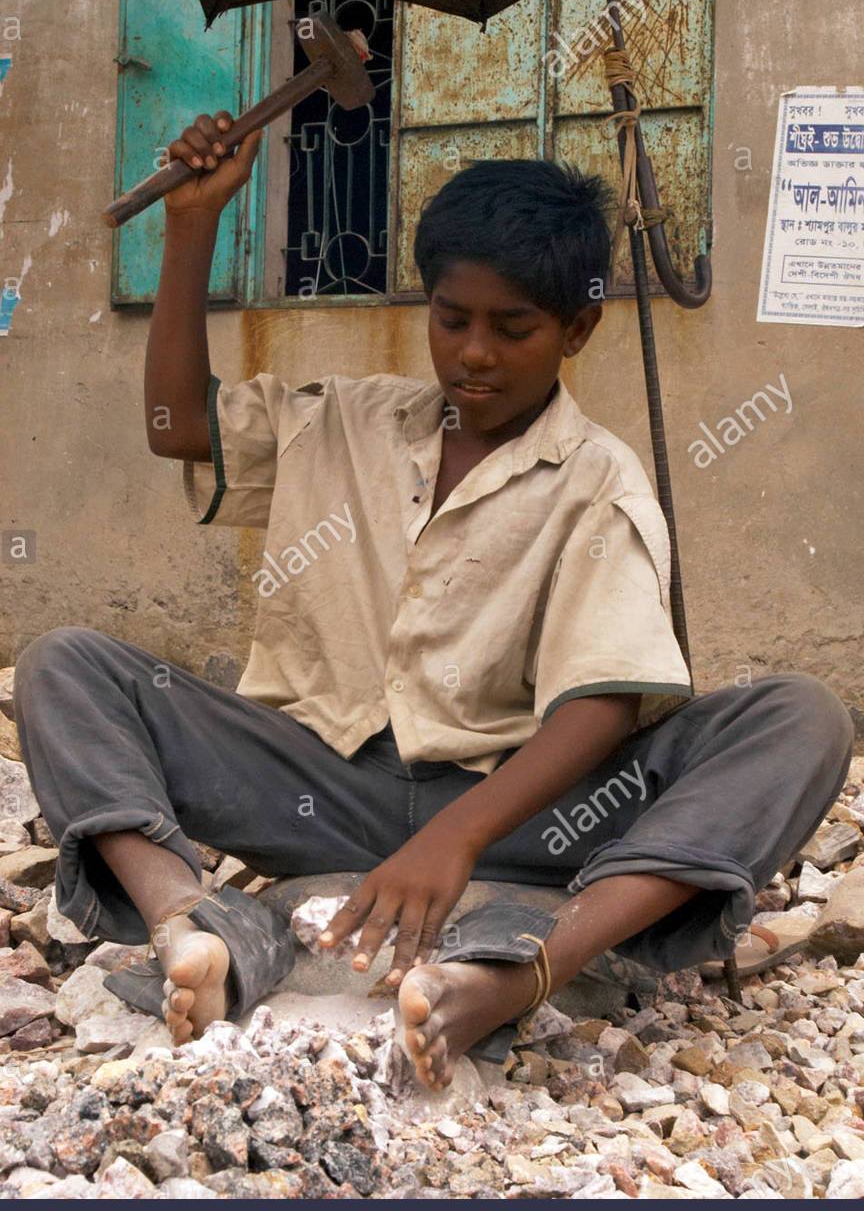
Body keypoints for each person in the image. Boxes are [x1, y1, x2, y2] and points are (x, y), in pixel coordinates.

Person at [13, 111, 854, 1093]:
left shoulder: (599, 481)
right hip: (317, 790)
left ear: (577, 328)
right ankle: (188, 925)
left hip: (517, 817)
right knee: (64, 663)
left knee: (801, 716)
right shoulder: (349, 420)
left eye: (514, 327)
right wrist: (193, 225)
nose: (475, 355)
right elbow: (176, 426)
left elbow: (604, 704)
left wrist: (455, 839)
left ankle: (525, 967)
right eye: (452, 320)